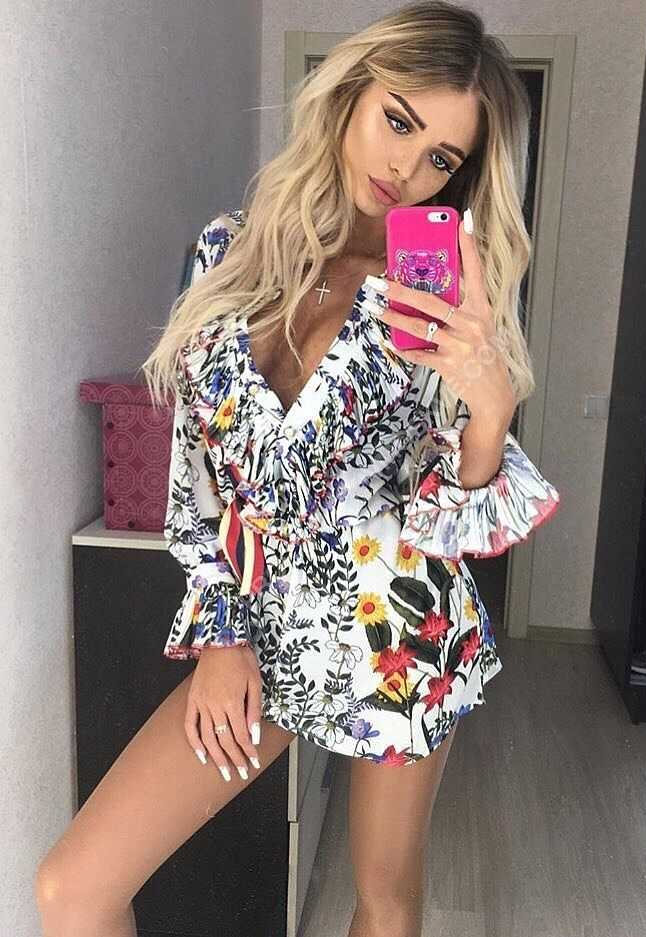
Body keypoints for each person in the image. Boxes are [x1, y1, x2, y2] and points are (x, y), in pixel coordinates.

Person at [35, 3, 559, 935]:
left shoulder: (445, 290)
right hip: (263, 626)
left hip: (397, 625)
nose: (407, 167)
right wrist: (220, 636)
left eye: (441, 156)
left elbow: (455, 506)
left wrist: (491, 409)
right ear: (352, 90)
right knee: (74, 887)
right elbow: (200, 475)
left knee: (384, 903)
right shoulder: (229, 249)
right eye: (399, 120)